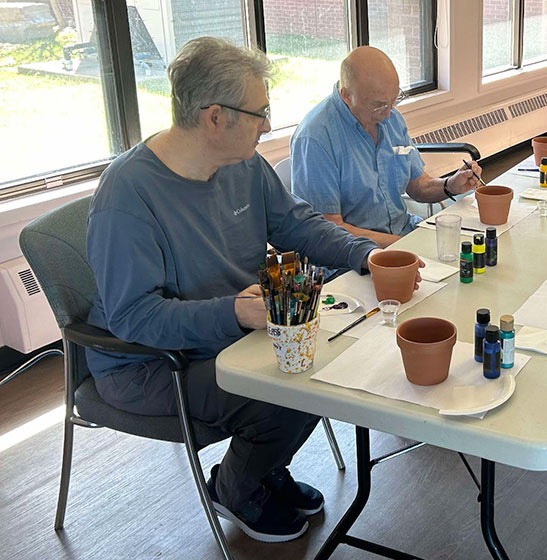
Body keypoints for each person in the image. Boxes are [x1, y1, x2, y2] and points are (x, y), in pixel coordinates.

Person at [85, 38, 410, 543]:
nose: (266, 124)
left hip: (228, 332)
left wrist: (364, 255)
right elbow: (134, 318)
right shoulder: (128, 196)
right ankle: (236, 486)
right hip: (149, 363)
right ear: (215, 117)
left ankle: (262, 464)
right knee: (294, 385)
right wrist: (233, 313)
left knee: (330, 358)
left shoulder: (242, 163)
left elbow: (297, 225)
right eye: (259, 112)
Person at [291, 46, 483, 248]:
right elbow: (328, 230)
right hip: (356, 256)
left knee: (473, 251)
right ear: (346, 95)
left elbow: (418, 186)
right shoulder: (316, 138)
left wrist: (451, 184)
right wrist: (403, 246)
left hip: (403, 233)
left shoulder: (390, 119)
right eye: (378, 105)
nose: (389, 113)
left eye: (394, 100)